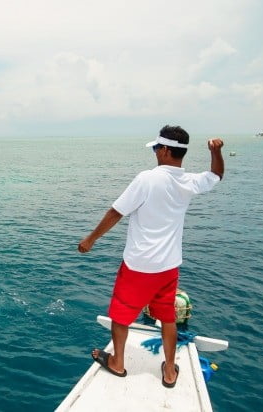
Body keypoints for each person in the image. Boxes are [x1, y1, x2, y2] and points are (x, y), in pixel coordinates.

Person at [78, 125, 224, 388]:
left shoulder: (147, 178)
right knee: (167, 317)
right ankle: (169, 372)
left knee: (121, 315)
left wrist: (90, 239)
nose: (155, 152)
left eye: (157, 148)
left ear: (166, 150)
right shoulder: (188, 181)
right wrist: (216, 151)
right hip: (168, 266)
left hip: (139, 265)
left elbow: (116, 212)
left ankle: (117, 364)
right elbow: (216, 175)